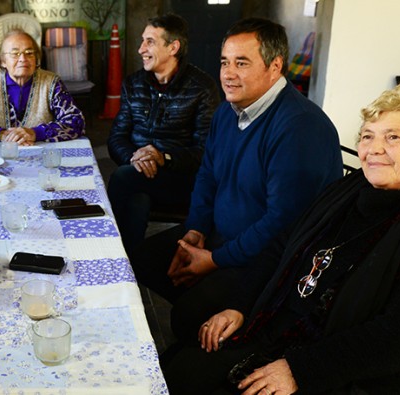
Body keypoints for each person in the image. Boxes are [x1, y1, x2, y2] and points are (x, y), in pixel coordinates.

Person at [165, 83, 400, 395]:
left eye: (393, 137)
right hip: (282, 327)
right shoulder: (348, 190)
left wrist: (302, 370)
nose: (373, 149)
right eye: (367, 136)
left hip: (348, 370)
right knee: (182, 371)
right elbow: (282, 245)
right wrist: (239, 306)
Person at [130, 18, 342, 343]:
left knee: (187, 314)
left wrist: (214, 261)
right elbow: (207, 176)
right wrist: (195, 231)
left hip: (269, 260)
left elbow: (281, 224)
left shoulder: (300, 127)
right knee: (142, 261)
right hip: (221, 238)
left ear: (275, 66)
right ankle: (211, 327)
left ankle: (235, 334)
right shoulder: (227, 112)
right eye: (224, 62)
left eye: (241, 63)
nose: (228, 74)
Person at [107, 14, 220, 251]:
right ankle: (132, 263)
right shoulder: (133, 84)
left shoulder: (202, 88)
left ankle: (108, 252)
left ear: (173, 47)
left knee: (122, 178)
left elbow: (206, 151)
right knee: (137, 199)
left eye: (150, 42)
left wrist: (164, 157)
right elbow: (116, 137)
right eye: (142, 41)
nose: (141, 49)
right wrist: (136, 158)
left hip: (181, 180)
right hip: (137, 172)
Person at [0, 29, 85, 144]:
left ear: (36, 59)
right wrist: (0, 134)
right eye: (15, 53)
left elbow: (76, 121)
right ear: (3, 61)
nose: (23, 59)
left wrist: (36, 133)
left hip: (41, 155)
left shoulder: (52, 84)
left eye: (29, 53)